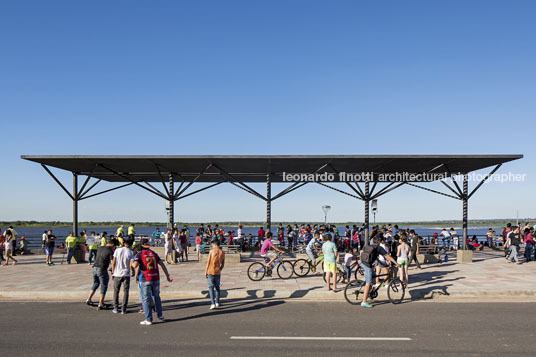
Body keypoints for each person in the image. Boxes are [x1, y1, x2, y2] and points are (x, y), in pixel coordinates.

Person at [132, 238, 173, 325]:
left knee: (146, 299)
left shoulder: (140, 254)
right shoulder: (154, 253)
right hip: (156, 278)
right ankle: (160, 314)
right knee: (157, 297)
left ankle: (148, 319)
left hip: (145, 279)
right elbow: (162, 264)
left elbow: (135, 265)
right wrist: (167, 275)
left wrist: (132, 261)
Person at [359, 236, 400, 308]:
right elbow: (388, 256)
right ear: (379, 241)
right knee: (368, 283)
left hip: (363, 263)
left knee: (374, 278)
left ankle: (369, 292)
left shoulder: (368, 246)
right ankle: (364, 302)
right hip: (367, 265)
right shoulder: (379, 248)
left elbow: (372, 257)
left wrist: (379, 263)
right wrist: (396, 263)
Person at [86, 238, 116, 310]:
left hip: (94, 267)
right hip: (102, 269)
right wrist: (113, 272)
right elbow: (113, 262)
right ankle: (101, 303)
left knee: (95, 283)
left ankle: (88, 299)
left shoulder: (100, 248)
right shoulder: (110, 251)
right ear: (112, 245)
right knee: (104, 285)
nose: (114, 248)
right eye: (114, 246)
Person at [111, 239, 134, 314]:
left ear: (124, 243)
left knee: (116, 291)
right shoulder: (130, 252)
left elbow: (113, 262)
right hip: (126, 274)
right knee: (126, 291)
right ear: (130, 245)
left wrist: (112, 272)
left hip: (117, 273)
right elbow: (131, 264)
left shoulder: (117, 250)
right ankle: (123, 308)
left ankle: (115, 307)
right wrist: (132, 271)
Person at [205, 238, 225, 310]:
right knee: (217, 288)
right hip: (217, 272)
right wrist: (219, 270)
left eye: (213, 243)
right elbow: (222, 264)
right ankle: (217, 302)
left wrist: (205, 271)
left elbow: (208, 262)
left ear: (215, 244)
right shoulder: (222, 252)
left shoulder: (211, 251)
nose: (212, 245)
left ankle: (212, 303)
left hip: (210, 271)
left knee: (211, 288)